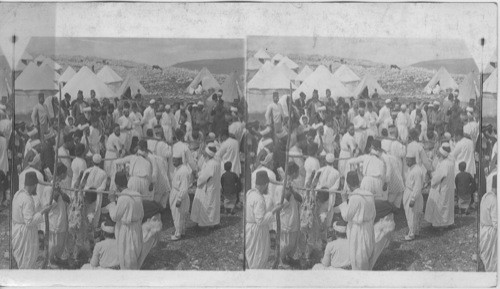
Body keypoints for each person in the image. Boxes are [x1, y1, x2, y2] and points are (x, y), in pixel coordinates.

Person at [12, 171, 52, 268]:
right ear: (34, 185)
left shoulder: (18, 194)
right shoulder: (27, 199)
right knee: (27, 260)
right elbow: (29, 221)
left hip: (17, 229)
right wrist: (43, 211)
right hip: (25, 233)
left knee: (22, 259)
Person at [338, 171, 376, 270]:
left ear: (349, 185)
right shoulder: (369, 194)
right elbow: (374, 214)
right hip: (368, 227)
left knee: (358, 258)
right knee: (367, 255)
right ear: (358, 182)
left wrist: (343, 200)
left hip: (358, 230)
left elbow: (346, 216)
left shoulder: (355, 198)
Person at [245, 171, 283, 269]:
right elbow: (260, 221)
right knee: (259, 256)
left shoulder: (250, 193)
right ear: (265, 185)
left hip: (250, 228)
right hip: (257, 230)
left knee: (252, 255)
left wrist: (280, 183)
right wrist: (274, 210)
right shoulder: (259, 199)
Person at [108, 171, 144, 269]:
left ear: (116, 185)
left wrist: (112, 202)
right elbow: (142, 214)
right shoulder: (137, 194)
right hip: (137, 227)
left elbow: (115, 217)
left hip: (127, 230)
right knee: (135, 254)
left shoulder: (123, 198)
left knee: (126, 257)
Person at [39, 163, 70, 267]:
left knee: (61, 242)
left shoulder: (61, 185)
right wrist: (56, 194)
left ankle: (56, 258)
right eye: (65, 173)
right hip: (54, 219)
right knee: (53, 243)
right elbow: (48, 206)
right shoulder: (48, 188)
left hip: (62, 217)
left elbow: (68, 199)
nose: (66, 174)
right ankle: (49, 261)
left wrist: (60, 191)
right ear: (61, 174)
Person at [424, 143, 455, 229]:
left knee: (440, 206)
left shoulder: (444, 164)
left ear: (441, 154)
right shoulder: (450, 163)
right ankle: (445, 223)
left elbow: (438, 177)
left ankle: (440, 225)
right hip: (447, 187)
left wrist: (431, 178)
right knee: (446, 205)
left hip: (442, 188)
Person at [191, 143, 222, 228]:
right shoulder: (216, 162)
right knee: (212, 205)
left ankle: (206, 224)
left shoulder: (211, 164)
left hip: (207, 187)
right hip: (213, 187)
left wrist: (198, 179)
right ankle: (211, 223)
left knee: (207, 205)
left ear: (208, 154)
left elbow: (204, 177)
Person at [170, 146, 191, 240]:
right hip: (175, 192)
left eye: (175, 160)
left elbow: (184, 187)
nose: (173, 162)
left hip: (180, 195)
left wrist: (179, 199)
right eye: (173, 160)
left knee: (178, 214)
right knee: (179, 214)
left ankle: (178, 233)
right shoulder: (177, 168)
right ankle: (181, 231)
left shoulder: (183, 171)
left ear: (180, 160)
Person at [403, 149, 424, 241]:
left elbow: (417, 186)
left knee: (412, 214)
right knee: (412, 214)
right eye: (406, 160)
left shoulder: (416, 171)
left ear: (412, 160)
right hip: (409, 191)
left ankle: (412, 234)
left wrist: (413, 199)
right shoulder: (412, 168)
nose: (406, 162)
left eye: (408, 160)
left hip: (413, 194)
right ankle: (415, 231)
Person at [480, 173, 497, 272]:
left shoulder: (485, 196)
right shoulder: (494, 200)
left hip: (483, 230)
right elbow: (495, 223)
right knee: (492, 262)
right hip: (490, 234)